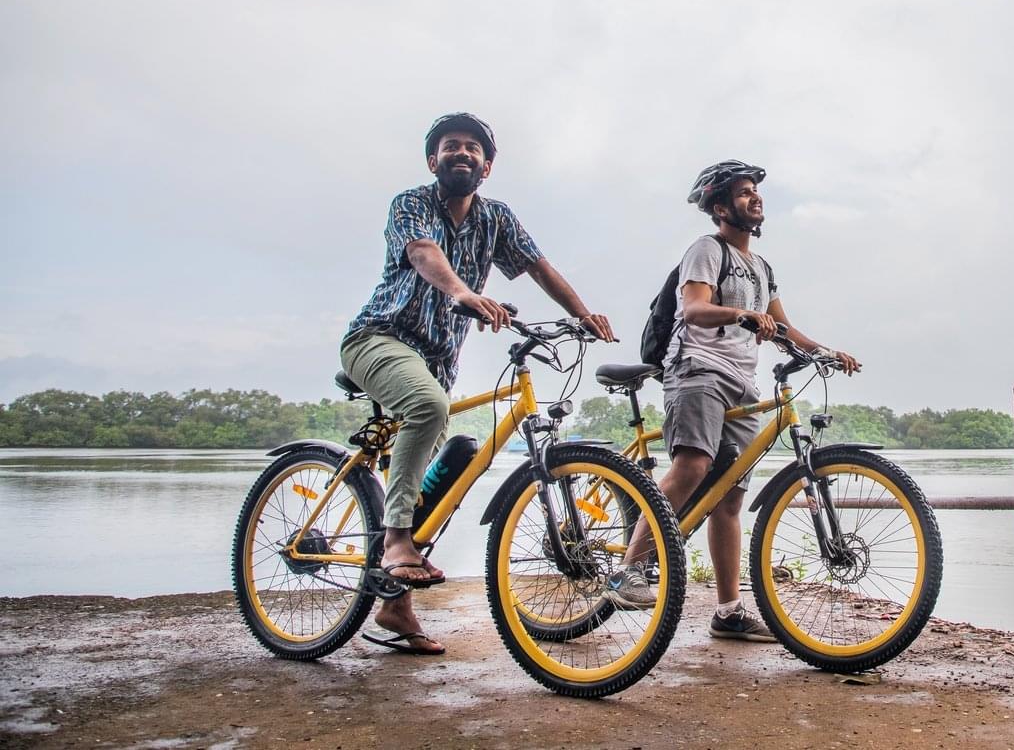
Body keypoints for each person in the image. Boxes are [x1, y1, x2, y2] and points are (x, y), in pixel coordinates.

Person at [341, 113, 615, 655]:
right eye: (450, 146)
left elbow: (539, 267)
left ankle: (395, 606)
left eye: (472, 148)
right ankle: (395, 540)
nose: (461, 153)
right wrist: (463, 292)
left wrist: (582, 314)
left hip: (437, 361)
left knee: (459, 459)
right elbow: (424, 254)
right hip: (377, 339)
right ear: (433, 160)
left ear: (486, 167)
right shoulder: (411, 203)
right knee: (428, 405)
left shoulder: (496, 219)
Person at [612, 160, 859, 641]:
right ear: (721, 207)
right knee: (693, 467)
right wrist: (742, 313)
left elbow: (782, 327)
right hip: (698, 370)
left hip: (743, 384)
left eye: (755, 192)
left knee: (729, 502)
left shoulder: (762, 268)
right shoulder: (708, 249)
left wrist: (823, 351)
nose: (755, 198)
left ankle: (728, 612)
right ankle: (629, 572)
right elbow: (695, 309)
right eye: (744, 193)